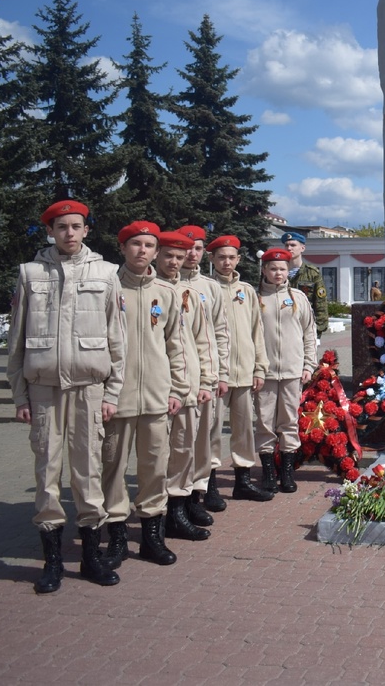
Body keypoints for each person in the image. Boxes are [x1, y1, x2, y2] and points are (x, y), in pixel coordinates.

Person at [8, 199, 126, 593]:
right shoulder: (30, 274)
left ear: (87, 230)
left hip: (89, 391)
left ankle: (91, 557)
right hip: (43, 392)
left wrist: (112, 393)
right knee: (46, 473)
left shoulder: (108, 273)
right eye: (61, 227)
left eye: (76, 226)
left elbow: (116, 340)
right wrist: (20, 396)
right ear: (50, 231)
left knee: (89, 472)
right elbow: (17, 342)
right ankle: (52, 561)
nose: (69, 233)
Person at [99, 221, 186, 569]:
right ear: (122, 248)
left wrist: (178, 389)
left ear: (156, 250)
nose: (142, 251)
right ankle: (117, 537)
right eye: (135, 244)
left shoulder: (165, 293)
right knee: (113, 468)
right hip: (115, 399)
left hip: (155, 396)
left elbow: (176, 345)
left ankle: (152, 536)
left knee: (154, 469)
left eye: (149, 245)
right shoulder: (107, 289)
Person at [156, 231, 215, 541]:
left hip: (188, 385)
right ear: (157, 255)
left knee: (183, 449)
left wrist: (206, 380)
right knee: (155, 453)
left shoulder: (192, 294)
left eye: (180, 256)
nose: (175, 261)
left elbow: (205, 341)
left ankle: (178, 511)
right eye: (169, 255)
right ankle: (154, 514)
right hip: (153, 385)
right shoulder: (142, 289)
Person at [209, 235, 273, 501]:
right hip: (215, 374)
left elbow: (257, 332)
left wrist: (260, 367)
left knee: (244, 428)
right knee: (212, 431)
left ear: (238, 259)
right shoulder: (207, 288)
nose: (226, 262)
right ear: (211, 259)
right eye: (221, 257)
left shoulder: (246, 291)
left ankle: (243, 480)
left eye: (231, 257)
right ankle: (210, 485)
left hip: (245, 371)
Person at [177, 225, 230, 516]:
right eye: (187, 248)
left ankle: (202, 490)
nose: (192, 254)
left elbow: (221, 333)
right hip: (178, 378)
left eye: (198, 248)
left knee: (207, 436)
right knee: (181, 440)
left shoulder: (211, 287)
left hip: (207, 376)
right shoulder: (165, 282)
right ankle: (180, 497)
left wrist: (221, 374)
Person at [257, 248, 317, 493]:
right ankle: (268, 473)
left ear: (287, 271)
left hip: (293, 370)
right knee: (264, 422)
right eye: (272, 268)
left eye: (281, 269)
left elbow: (309, 333)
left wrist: (309, 364)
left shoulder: (298, 298)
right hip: (265, 373)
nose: (277, 273)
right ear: (264, 271)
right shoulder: (255, 297)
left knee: (289, 422)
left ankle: (287, 472)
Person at [281, 231, 329, 337]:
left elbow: (320, 304)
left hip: (306, 329)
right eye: (286, 245)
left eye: (293, 245)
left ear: (302, 248)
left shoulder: (312, 273)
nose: (289, 248)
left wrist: (317, 331)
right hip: (282, 329)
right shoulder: (278, 272)